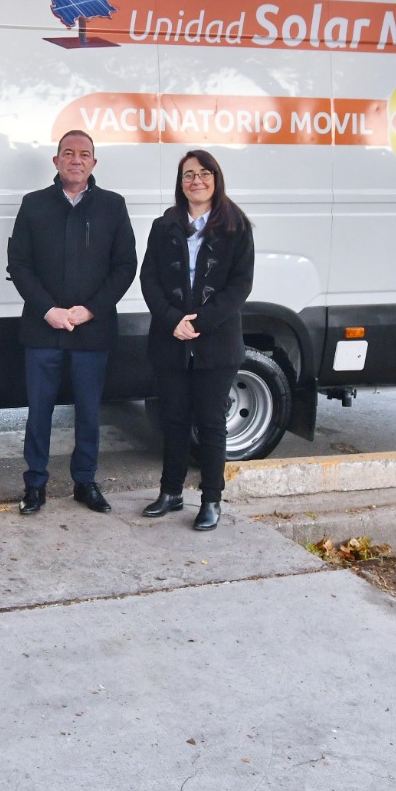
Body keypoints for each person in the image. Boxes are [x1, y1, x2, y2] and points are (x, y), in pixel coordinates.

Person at [6, 130, 136, 515]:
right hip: (42, 328)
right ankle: (35, 485)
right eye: (68, 153)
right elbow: (19, 264)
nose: (76, 160)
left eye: (84, 154)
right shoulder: (34, 205)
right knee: (39, 411)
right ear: (56, 161)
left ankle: (85, 482)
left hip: (92, 329)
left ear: (94, 162)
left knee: (89, 412)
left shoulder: (113, 206)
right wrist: (48, 310)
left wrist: (91, 309)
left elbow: (125, 266)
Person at [139, 149, 255, 531]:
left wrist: (200, 322)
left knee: (210, 422)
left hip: (216, 342)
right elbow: (149, 279)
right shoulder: (164, 225)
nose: (196, 181)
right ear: (181, 182)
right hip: (170, 338)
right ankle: (170, 492)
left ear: (216, 179)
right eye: (188, 174)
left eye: (204, 173)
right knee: (173, 419)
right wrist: (172, 319)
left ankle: (211, 500)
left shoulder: (236, 226)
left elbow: (240, 285)